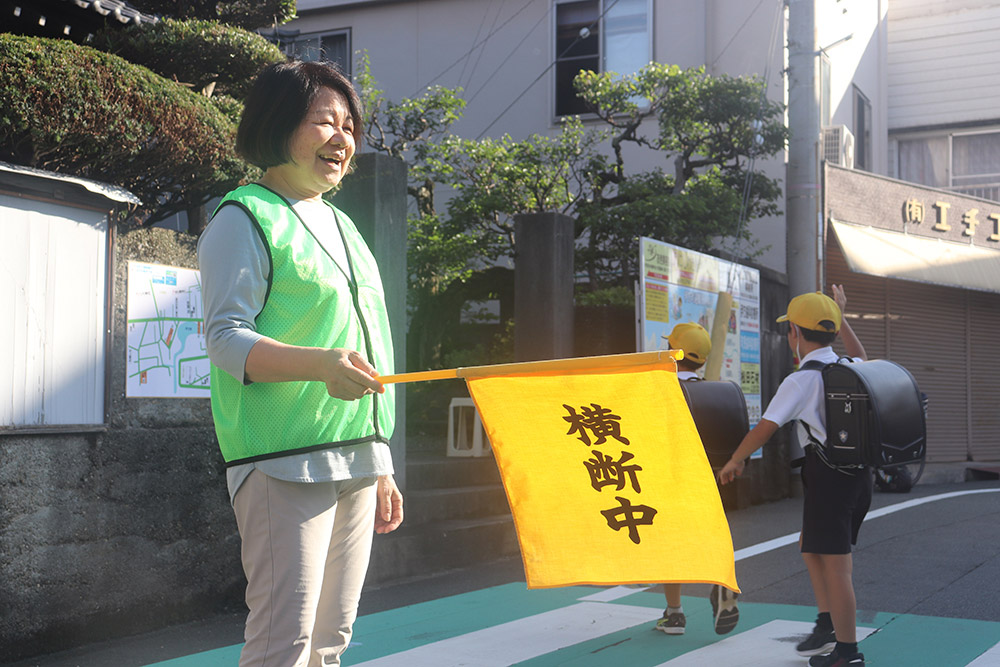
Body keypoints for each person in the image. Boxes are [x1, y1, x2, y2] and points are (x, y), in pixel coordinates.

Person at [197, 60, 404, 667]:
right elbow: (226, 340)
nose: (342, 140)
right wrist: (319, 364)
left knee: (330, 643)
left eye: (349, 126)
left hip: (358, 458)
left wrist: (381, 456)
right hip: (281, 460)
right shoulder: (243, 216)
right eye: (323, 122)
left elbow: (372, 341)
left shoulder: (343, 224)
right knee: (281, 645)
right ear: (278, 125)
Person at [718, 285, 870, 667]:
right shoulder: (849, 367)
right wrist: (843, 313)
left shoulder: (801, 379)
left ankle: (847, 653)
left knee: (838, 566)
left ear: (796, 335)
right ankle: (825, 622)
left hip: (829, 478)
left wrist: (736, 460)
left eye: (790, 330)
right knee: (810, 543)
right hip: (856, 476)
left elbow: (766, 427)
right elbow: (863, 356)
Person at [654, 322, 740, 637]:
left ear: (672, 353)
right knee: (714, 536)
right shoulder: (718, 391)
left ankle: (674, 613)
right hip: (713, 477)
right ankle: (723, 588)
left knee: (671, 544)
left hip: (671, 477)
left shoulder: (662, 390)